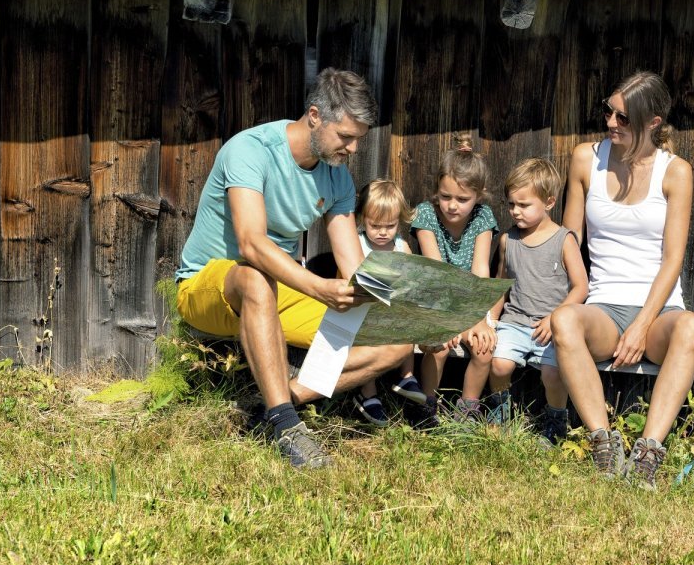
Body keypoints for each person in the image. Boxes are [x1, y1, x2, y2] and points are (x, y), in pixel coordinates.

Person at [174, 68, 412, 468]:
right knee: (255, 276)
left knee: (397, 341)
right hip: (210, 286)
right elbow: (251, 243)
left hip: (277, 292)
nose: (353, 149)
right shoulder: (250, 150)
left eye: (359, 139)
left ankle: (276, 403)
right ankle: (288, 430)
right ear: (315, 116)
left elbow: (355, 265)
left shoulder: (336, 177)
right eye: (346, 137)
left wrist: (419, 313)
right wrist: (319, 288)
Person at [552, 71, 694, 490]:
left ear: (653, 123)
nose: (611, 123)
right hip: (602, 305)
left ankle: (647, 453)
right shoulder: (587, 158)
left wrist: (641, 325)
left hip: (658, 313)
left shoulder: (676, 173)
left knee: (691, 326)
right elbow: (571, 241)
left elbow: (673, 260)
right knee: (566, 322)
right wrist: (564, 300)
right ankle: (603, 443)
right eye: (609, 112)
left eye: (623, 118)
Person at [484, 158, 588, 444]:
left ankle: (556, 419)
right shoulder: (508, 240)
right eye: (511, 204)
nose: (515, 211)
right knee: (499, 365)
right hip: (515, 321)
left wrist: (556, 318)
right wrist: (490, 321)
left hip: (551, 328)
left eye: (524, 205)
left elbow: (580, 287)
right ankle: (500, 412)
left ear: (549, 202)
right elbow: (500, 285)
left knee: (554, 373)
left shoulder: (564, 239)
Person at [410, 134, 499, 425]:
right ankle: (427, 405)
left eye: (462, 199)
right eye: (446, 196)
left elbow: (480, 269)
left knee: (483, 349)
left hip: (471, 299)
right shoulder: (426, 214)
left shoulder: (483, 217)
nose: (452, 205)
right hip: (436, 297)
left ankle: (467, 409)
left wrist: (477, 319)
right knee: (438, 345)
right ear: (437, 190)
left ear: (479, 196)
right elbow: (436, 271)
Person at [351, 179, 426, 426]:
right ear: (362, 219)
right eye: (375, 226)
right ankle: (368, 394)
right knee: (367, 335)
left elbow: (413, 277)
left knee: (408, 318)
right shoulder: (357, 244)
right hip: (364, 311)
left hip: (393, 309)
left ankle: (407, 376)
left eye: (390, 226)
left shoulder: (401, 247)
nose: (383, 232)